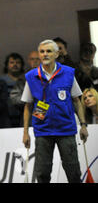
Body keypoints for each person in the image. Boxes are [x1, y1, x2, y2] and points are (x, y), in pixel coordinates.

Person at [21, 39, 88, 183]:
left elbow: (77, 100)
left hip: (66, 129)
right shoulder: (31, 76)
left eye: (49, 51)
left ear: (56, 54)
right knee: (42, 173)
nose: (45, 54)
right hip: (43, 130)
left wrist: (83, 124)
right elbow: (27, 106)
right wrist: (25, 132)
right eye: (42, 51)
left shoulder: (68, 73)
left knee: (73, 172)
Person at [0, 53, 25, 127]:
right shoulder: (0, 80)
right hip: (6, 116)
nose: (15, 65)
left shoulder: (26, 78)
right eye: (12, 62)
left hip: (24, 114)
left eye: (18, 62)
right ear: (7, 65)